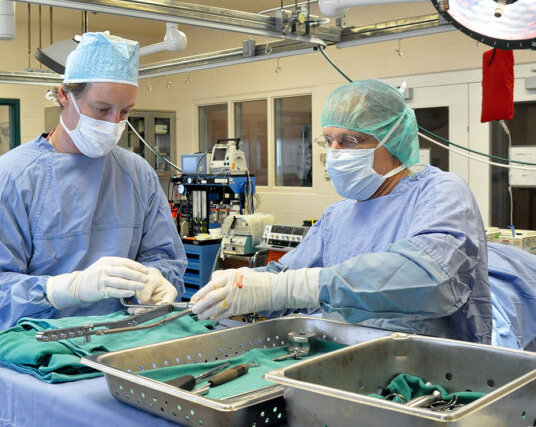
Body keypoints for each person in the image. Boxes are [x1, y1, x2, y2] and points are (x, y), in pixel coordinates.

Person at [192, 79, 493, 345]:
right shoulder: (337, 216)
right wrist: (237, 288)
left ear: (393, 141)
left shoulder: (440, 192)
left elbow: (431, 278)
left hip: (430, 371)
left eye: (350, 140)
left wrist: (296, 286)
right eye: (329, 141)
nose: (335, 151)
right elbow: (283, 279)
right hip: (342, 361)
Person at [0, 32, 186, 359]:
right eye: (102, 109)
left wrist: (159, 278)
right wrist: (61, 290)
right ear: (65, 96)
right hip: (34, 358)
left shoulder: (136, 174)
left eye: (125, 113)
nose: (113, 124)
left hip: (118, 353)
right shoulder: (11, 179)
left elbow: (164, 255)